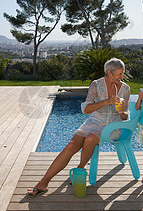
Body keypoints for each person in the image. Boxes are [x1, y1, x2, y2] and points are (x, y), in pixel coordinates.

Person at [27, 58, 130, 196]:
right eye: (119, 74)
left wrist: (121, 112)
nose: (122, 77)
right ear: (109, 73)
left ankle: (80, 170)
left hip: (112, 126)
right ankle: (44, 182)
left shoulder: (125, 89)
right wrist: (107, 102)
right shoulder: (96, 85)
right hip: (93, 122)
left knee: (90, 139)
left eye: (122, 73)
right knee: (71, 145)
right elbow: (86, 109)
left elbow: (125, 117)